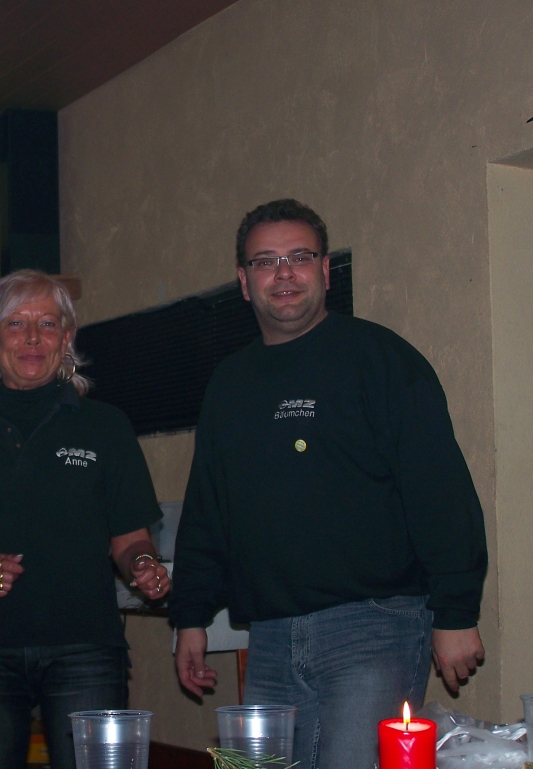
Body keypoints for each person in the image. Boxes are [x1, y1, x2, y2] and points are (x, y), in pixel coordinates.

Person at [169, 200, 488, 769]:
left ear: (325, 270)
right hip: (269, 637)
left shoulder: (381, 359)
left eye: (299, 257)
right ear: (244, 281)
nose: (283, 273)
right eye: (265, 261)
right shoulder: (229, 383)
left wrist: (456, 612)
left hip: (375, 628)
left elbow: (440, 492)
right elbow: (207, 508)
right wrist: (190, 616)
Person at [0, 270, 170, 769]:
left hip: (86, 649)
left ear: (66, 338)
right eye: (15, 323)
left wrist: (142, 563)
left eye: (47, 324)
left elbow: (130, 539)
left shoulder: (106, 427)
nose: (31, 338)